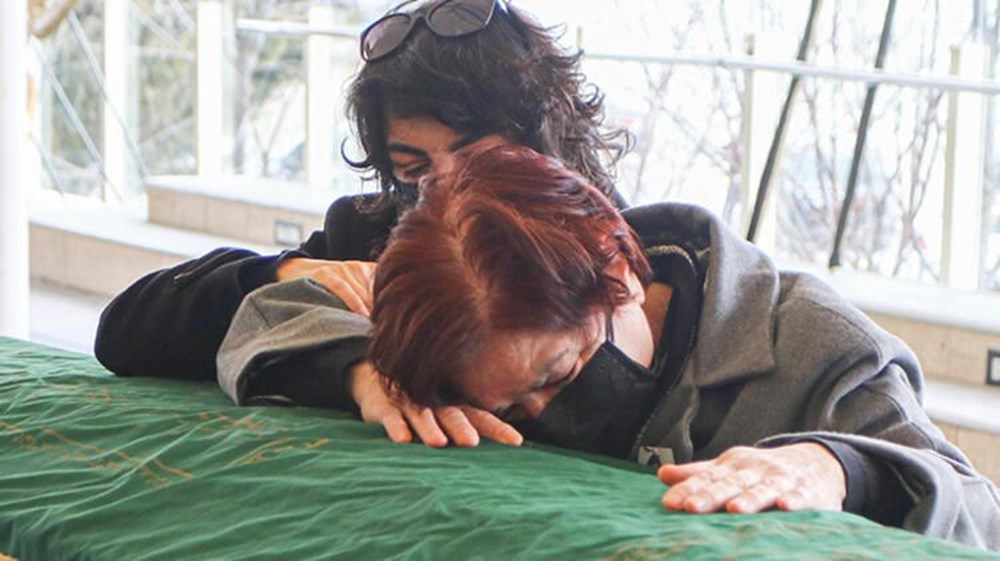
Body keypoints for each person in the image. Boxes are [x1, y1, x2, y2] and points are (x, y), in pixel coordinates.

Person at [217, 145, 999, 550]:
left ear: (619, 273)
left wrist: (837, 467)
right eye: (509, 406)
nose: (544, 411)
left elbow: (977, 511)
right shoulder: (449, 326)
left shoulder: (812, 342)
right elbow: (264, 314)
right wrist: (364, 372)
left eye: (560, 371)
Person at [94, 0, 627, 444]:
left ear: (543, 140)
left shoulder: (613, 260)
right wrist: (303, 294)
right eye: (414, 169)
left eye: (477, 159)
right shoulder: (375, 237)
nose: (445, 187)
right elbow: (129, 331)